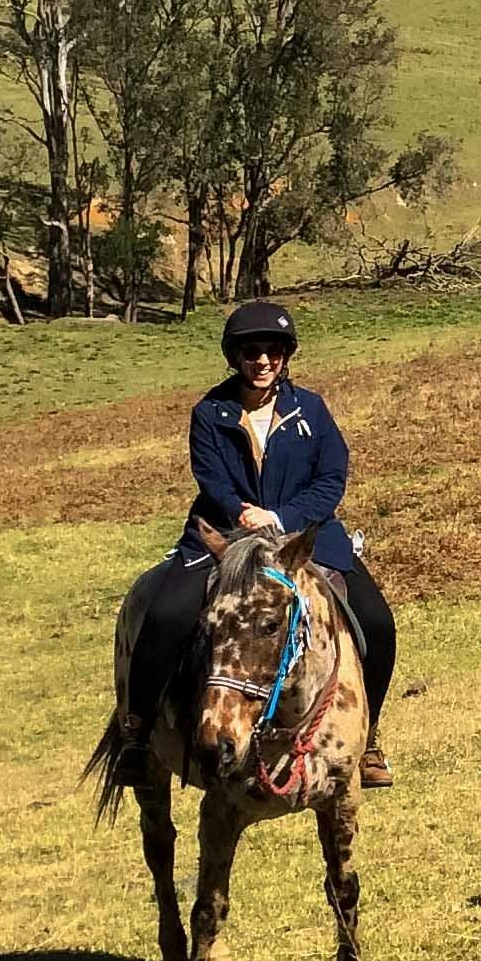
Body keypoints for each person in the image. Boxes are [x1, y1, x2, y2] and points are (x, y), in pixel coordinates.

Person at [134, 298, 398, 785]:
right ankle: (137, 732)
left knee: (377, 622)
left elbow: (331, 477)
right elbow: (211, 479)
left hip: (305, 539)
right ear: (234, 356)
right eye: (251, 351)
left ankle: (369, 738)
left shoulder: (311, 409)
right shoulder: (209, 413)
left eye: (273, 351)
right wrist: (242, 516)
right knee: (164, 616)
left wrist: (279, 518)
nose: (262, 360)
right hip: (225, 537)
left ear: (285, 356)